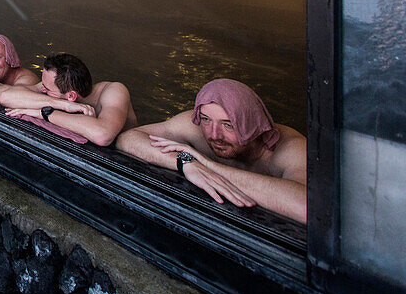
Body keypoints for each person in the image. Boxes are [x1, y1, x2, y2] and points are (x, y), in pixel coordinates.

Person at [115, 78, 307, 223]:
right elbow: (128, 138)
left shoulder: (290, 148)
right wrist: (186, 162)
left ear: (252, 125)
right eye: (206, 119)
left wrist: (207, 165)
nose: (215, 135)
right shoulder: (195, 127)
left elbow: (307, 208)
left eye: (228, 125)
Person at [0, 53, 136, 146]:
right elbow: (6, 95)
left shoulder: (114, 92)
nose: (41, 89)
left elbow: (103, 135)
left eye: (46, 88)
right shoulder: (52, 89)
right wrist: (58, 104)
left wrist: (44, 112)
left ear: (71, 96)